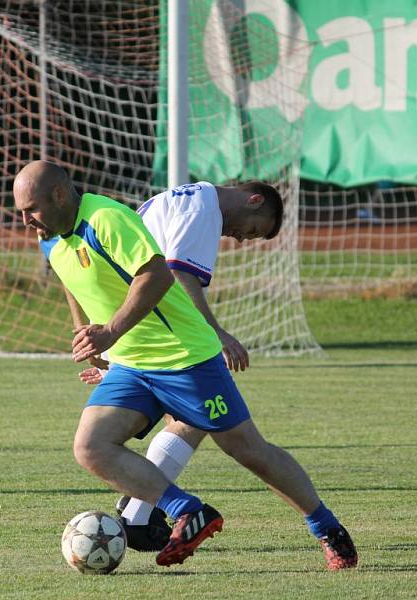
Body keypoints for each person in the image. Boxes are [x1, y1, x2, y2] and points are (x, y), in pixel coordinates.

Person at [13, 161, 358, 570]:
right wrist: (86, 331)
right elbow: (71, 279)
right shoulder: (51, 236)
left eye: (30, 209)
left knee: (248, 450)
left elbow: (159, 277)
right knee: (90, 447)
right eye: (20, 211)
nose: (25, 220)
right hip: (132, 363)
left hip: (184, 357)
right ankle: (186, 510)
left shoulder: (105, 219)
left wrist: (110, 332)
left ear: (58, 195)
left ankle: (327, 527)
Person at [72, 181, 283, 551]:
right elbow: (178, 276)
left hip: (132, 328)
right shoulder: (202, 208)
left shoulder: (181, 198)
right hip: (150, 332)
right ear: (254, 200)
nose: (240, 239)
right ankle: (139, 513)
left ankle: (138, 509)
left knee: (183, 420)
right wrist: (217, 335)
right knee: (198, 419)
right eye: (251, 230)